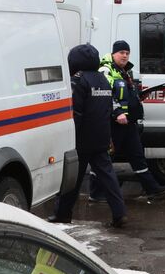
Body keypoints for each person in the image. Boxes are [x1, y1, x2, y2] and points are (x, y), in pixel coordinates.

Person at [50, 43, 127, 226]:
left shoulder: (79, 80)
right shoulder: (102, 79)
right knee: (108, 178)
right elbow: (107, 109)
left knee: (72, 180)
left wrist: (70, 137)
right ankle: (119, 213)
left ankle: (62, 213)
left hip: (81, 139)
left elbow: (76, 112)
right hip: (101, 136)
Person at [101, 40, 165, 200]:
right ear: (113, 53)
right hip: (114, 123)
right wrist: (117, 113)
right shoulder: (106, 70)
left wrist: (139, 96)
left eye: (127, 53)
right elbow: (104, 94)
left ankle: (153, 189)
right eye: (121, 53)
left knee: (137, 156)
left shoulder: (125, 71)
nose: (125, 56)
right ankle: (98, 194)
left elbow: (125, 94)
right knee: (105, 159)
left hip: (128, 123)